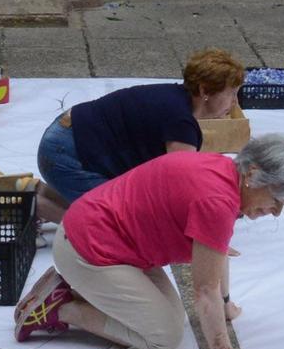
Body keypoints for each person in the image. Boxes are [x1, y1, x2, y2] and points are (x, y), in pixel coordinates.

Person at [13, 135, 284, 349]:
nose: (277, 212)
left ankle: (78, 287)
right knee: (164, 337)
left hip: (104, 238)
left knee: (174, 317)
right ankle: (59, 308)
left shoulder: (224, 171)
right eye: (277, 200)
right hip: (88, 248)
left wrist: (225, 303)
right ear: (253, 175)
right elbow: (203, 290)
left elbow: (218, 249)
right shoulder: (217, 201)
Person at [35, 49, 246, 223]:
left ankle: (37, 194)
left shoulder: (174, 98)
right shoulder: (181, 123)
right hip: (64, 154)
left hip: (63, 139)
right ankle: (37, 207)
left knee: (123, 202)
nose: (235, 102)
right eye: (231, 93)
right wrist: (214, 222)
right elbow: (182, 185)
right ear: (205, 90)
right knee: (116, 223)